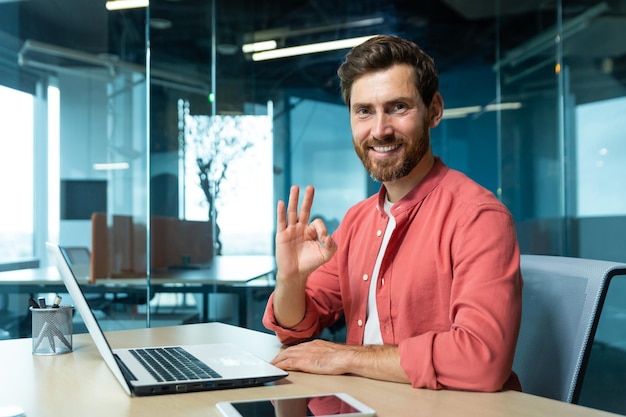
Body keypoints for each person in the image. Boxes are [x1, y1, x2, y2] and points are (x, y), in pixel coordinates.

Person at [262, 34, 523, 392]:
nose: (380, 129)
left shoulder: (478, 217)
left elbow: (482, 359)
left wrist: (347, 357)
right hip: (367, 402)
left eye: (398, 107)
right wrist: (290, 279)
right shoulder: (357, 220)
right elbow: (297, 327)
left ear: (434, 110)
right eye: (364, 111)